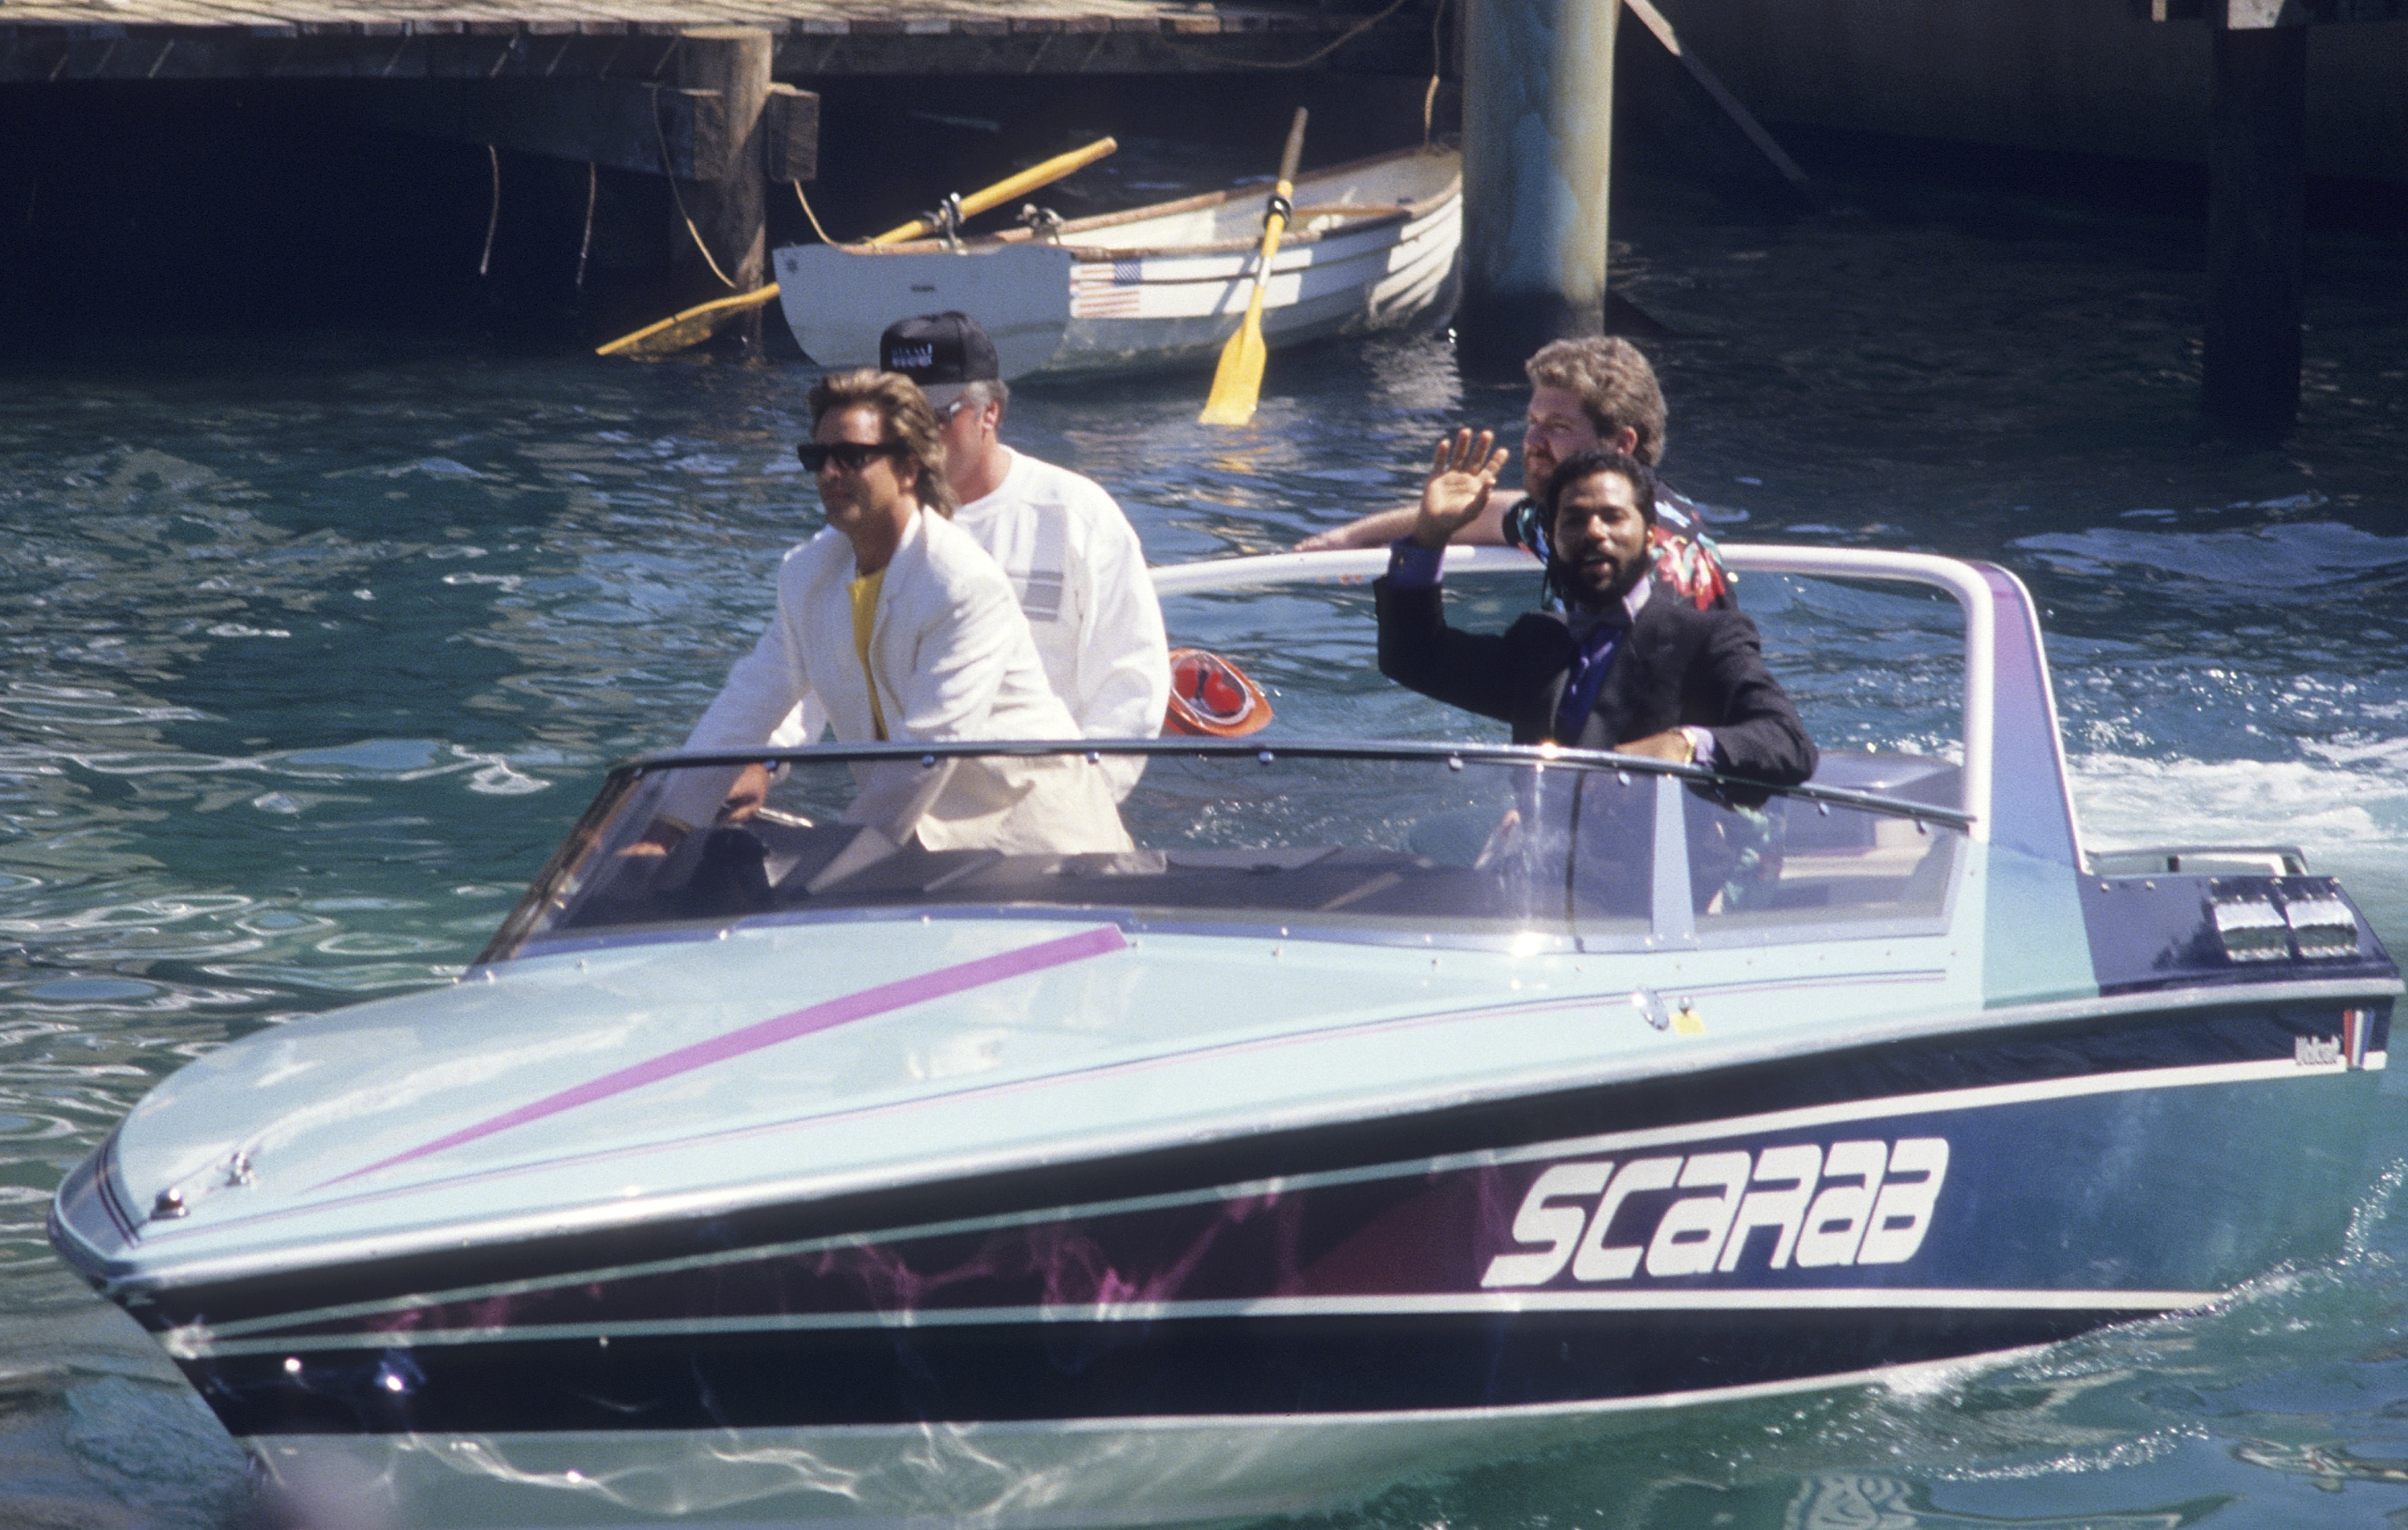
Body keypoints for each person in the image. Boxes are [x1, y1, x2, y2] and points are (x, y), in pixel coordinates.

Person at [650, 368, 1130, 857]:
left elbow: (924, 755)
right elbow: (745, 704)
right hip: (922, 849)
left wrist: (827, 867)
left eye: (853, 457)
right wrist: (664, 827)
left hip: (1047, 852)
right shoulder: (807, 575)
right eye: (818, 457)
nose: (829, 473)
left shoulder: (962, 584)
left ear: (908, 469)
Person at [1375, 435, 1812, 785]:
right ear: (1552, 539)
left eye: (1613, 517)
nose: (1595, 532)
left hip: (1662, 863)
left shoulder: (1705, 638)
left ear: (1649, 537)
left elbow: (1789, 741)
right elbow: (1412, 657)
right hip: (1545, 858)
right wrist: (1429, 535)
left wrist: (1684, 745)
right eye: (1574, 520)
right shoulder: (1538, 642)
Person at [872, 311, 1170, 797]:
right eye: (896, 422)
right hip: (910, 797)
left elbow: (1131, 681)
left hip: (1049, 799)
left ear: (989, 412)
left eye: (934, 418)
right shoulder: (871, 525)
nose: (913, 440)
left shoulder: (1077, 515)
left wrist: (1087, 799)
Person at [1298, 336, 1730, 612]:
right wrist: (1354, 537)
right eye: (1532, 422)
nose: (1532, 440)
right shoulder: (1569, 519)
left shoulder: (1639, 571)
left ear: (1621, 444)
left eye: (1558, 427)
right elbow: (1494, 514)